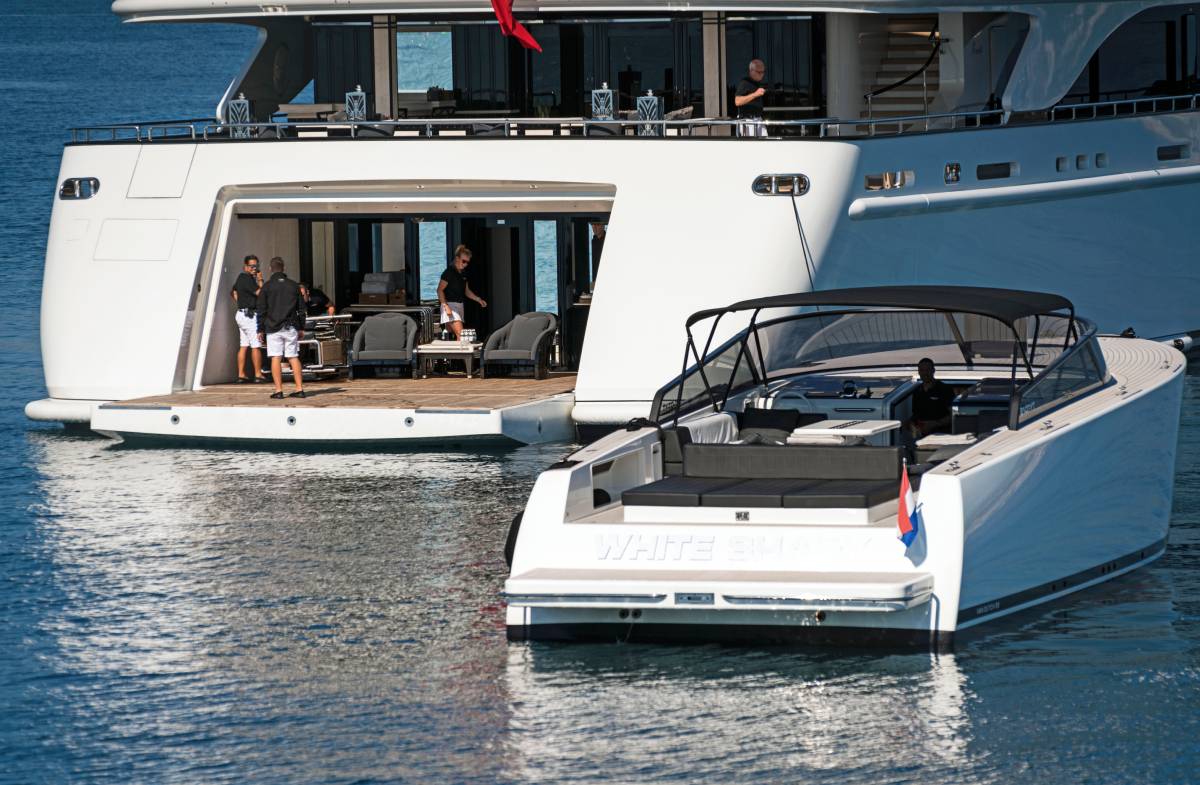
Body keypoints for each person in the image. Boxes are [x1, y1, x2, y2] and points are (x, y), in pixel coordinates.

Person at [256, 257, 307, 399]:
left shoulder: (266, 286)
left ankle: (278, 391)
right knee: (293, 357)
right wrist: (301, 327)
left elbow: (261, 309)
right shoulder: (294, 285)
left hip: (273, 327)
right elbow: (301, 308)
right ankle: (299, 389)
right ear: (283, 268)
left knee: (276, 358)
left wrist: (260, 329)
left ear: (270, 269)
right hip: (290, 326)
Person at [438, 244, 487, 340]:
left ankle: (452, 353)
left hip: (460, 306)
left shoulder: (463, 273)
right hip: (450, 306)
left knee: (452, 335)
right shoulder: (449, 272)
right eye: (463, 261)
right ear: (457, 258)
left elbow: (466, 291)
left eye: (467, 262)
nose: (465, 264)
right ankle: (461, 354)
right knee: (461, 335)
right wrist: (445, 306)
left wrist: (478, 299)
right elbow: (439, 290)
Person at [230, 254, 265, 383]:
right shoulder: (248, 278)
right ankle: (258, 374)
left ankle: (241, 374)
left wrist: (241, 303)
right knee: (256, 345)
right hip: (249, 316)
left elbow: (233, 292)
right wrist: (261, 281)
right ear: (245, 267)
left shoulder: (240, 278)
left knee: (244, 345)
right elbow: (260, 294)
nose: (254, 269)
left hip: (241, 314)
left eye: (256, 266)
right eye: (251, 266)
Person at [908, 358, 954, 438]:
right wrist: (911, 424)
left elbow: (954, 415)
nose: (925, 373)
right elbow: (916, 414)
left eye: (928, 370)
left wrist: (934, 424)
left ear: (933, 370)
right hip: (922, 438)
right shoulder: (917, 391)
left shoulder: (944, 389)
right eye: (922, 370)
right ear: (918, 372)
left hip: (942, 436)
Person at [734, 59, 767, 138]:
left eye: (763, 72)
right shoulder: (745, 83)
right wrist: (755, 94)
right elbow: (737, 101)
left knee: (766, 144)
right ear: (751, 71)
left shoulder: (757, 83)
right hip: (747, 121)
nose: (762, 75)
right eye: (759, 72)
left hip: (758, 120)